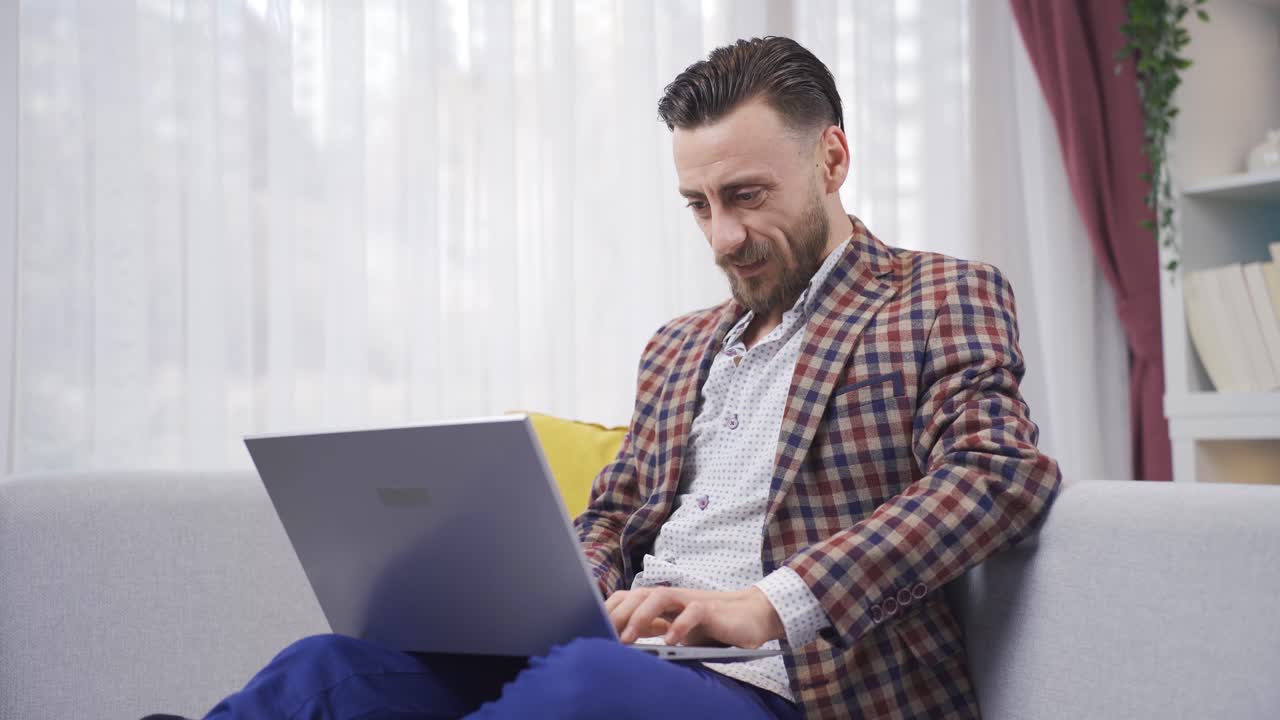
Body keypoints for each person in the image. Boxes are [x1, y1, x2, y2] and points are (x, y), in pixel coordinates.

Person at [148, 35, 1062, 720]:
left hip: (795, 685)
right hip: (614, 660)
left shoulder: (938, 295)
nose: (723, 237)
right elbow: (615, 515)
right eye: (698, 205)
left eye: (746, 196)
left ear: (831, 158)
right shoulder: (678, 346)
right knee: (329, 670)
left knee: (585, 684)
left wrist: (770, 604)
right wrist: (565, 599)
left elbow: (999, 473)